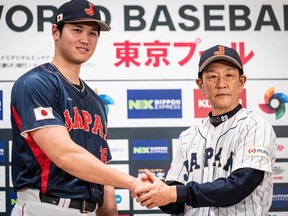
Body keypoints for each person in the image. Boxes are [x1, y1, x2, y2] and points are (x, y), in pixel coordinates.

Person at [10, 0, 149, 215]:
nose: (85, 39)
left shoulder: (96, 102)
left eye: (93, 33)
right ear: (56, 32)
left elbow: (100, 170)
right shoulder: (36, 83)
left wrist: (110, 210)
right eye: (77, 30)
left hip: (90, 210)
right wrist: (132, 182)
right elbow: (65, 154)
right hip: (45, 206)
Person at [133, 45, 277, 216]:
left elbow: (240, 186)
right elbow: (176, 204)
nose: (221, 84)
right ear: (201, 85)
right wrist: (157, 192)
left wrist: (176, 193)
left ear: (241, 82)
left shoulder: (256, 127)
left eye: (229, 76)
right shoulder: (188, 137)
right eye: (212, 76)